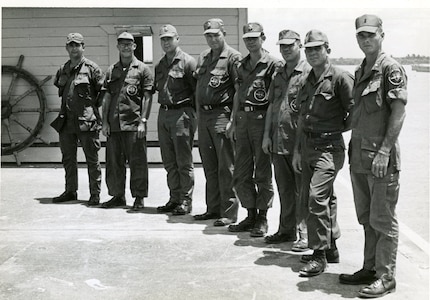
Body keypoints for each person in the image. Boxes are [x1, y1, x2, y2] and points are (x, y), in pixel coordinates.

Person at [338, 15, 407, 298]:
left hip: (381, 157)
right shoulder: (361, 69)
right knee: (366, 218)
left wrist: (385, 151)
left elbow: (399, 112)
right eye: (361, 35)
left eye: (370, 34)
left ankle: (386, 276)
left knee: (383, 218)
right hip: (360, 155)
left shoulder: (390, 68)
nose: (365, 39)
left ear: (382, 35)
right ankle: (370, 268)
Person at [292, 29, 354, 277]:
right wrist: (297, 151)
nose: (313, 53)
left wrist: (336, 129)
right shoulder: (307, 79)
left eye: (317, 48)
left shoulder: (340, 77)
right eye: (309, 49)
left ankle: (318, 256)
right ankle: (331, 248)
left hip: (329, 148)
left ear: (328, 49)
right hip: (307, 145)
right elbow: (301, 117)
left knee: (316, 198)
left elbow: (355, 113)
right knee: (325, 197)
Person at [227, 22, 279, 237]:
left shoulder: (273, 64)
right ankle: (249, 214)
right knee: (241, 171)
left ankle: (262, 217)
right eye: (247, 38)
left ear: (263, 38)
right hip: (243, 119)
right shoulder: (241, 64)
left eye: (254, 38)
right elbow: (238, 92)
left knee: (263, 172)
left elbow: (275, 99)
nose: (250, 41)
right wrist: (232, 119)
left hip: (262, 118)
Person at [262, 29, 311, 251]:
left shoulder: (309, 71)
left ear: (299, 45)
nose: (286, 49)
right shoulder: (279, 72)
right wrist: (266, 136)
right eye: (282, 46)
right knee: (284, 188)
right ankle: (286, 229)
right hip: (278, 139)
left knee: (303, 190)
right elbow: (272, 106)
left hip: (299, 141)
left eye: (290, 45)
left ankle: (305, 233)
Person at [193, 18, 241, 226]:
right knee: (209, 165)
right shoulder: (203, 57)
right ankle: (212, 209)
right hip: (204, 117)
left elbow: (239, 91)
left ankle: (229, 212)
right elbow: (199, 88)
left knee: (226, 166)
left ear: (224, 33)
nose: (212, 39)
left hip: (222, 115)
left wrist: (233, 119)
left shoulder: (233, 57)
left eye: (216, 35)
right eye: (208, 35)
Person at [100, 32, 154, 210]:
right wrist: (105, 123)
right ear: (117, 46)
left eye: (129, 44)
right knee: (114, 163)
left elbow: (147, 97)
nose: (125, 47)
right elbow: (107, 98)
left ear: (134, 46)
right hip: (114, 125)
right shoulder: (111, 70)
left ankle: (139, 197)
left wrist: (143, 121)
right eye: (122, 44)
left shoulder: (143, 69)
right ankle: (117, 195)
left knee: (137, 162)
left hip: (133, 124)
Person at [52, 33, 104, 206]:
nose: (74, 48)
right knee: (68, 158)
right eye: (71, 45)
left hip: (86, 121)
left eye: (77, 45)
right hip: (66, 121)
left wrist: (91, 109)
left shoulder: (92, 68)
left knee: (92, 159)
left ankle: (95, 194)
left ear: (83, 47)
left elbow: (102, 91)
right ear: (67, 48)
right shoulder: (63, 69)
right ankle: (70, 191)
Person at [154, 24, 197, 215]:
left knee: (183, 161)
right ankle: (174, 198)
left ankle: (186, 200)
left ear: (177, 39)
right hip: (163, 113)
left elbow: (196, 91)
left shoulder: (188, 62)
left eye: (169, 39)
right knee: (169, 161)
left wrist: (192, 116)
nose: (166, 42)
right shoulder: (160, 65)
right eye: (163, 39)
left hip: (182, 113)